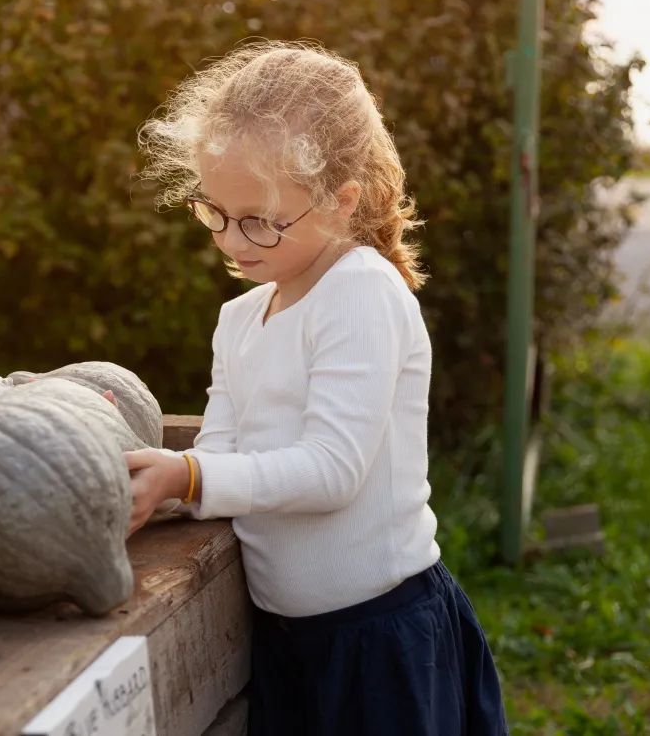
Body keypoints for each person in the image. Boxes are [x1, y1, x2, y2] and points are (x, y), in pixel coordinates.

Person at [125, 40, 508, 735]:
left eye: (260, 220)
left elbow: (332, 472)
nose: (233, 241)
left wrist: (187, 475)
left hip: (381, 641)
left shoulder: (360, 292)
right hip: (290, 641)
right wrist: (149, 487)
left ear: (341, 201)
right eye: (213, 212)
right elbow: (223, 457)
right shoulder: (239, 319)